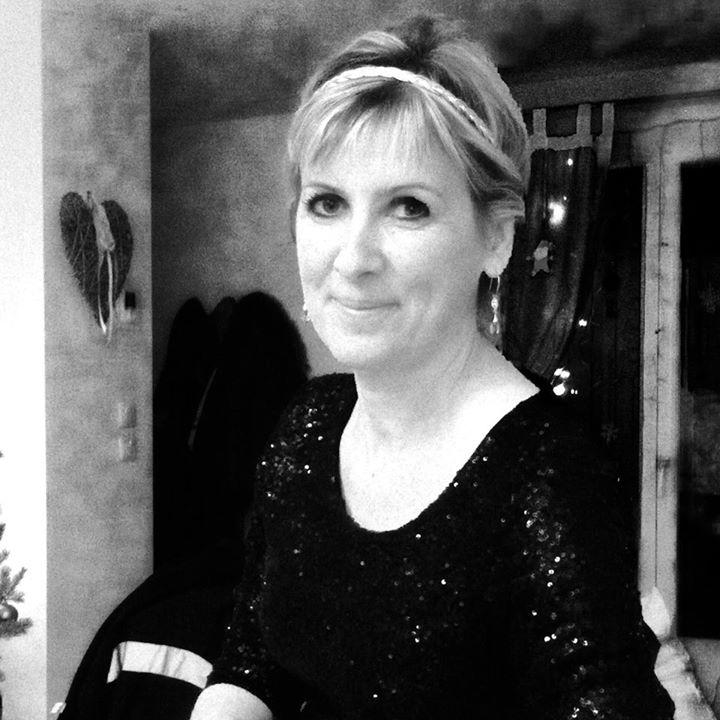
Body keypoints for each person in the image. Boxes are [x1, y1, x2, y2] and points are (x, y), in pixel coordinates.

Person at [190, 14, 674, 720]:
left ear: (496, 240)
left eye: (408, 208)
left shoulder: (548, 476)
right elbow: (253, 660)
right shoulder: (307, 426)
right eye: (327, 203)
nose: (354, 258)